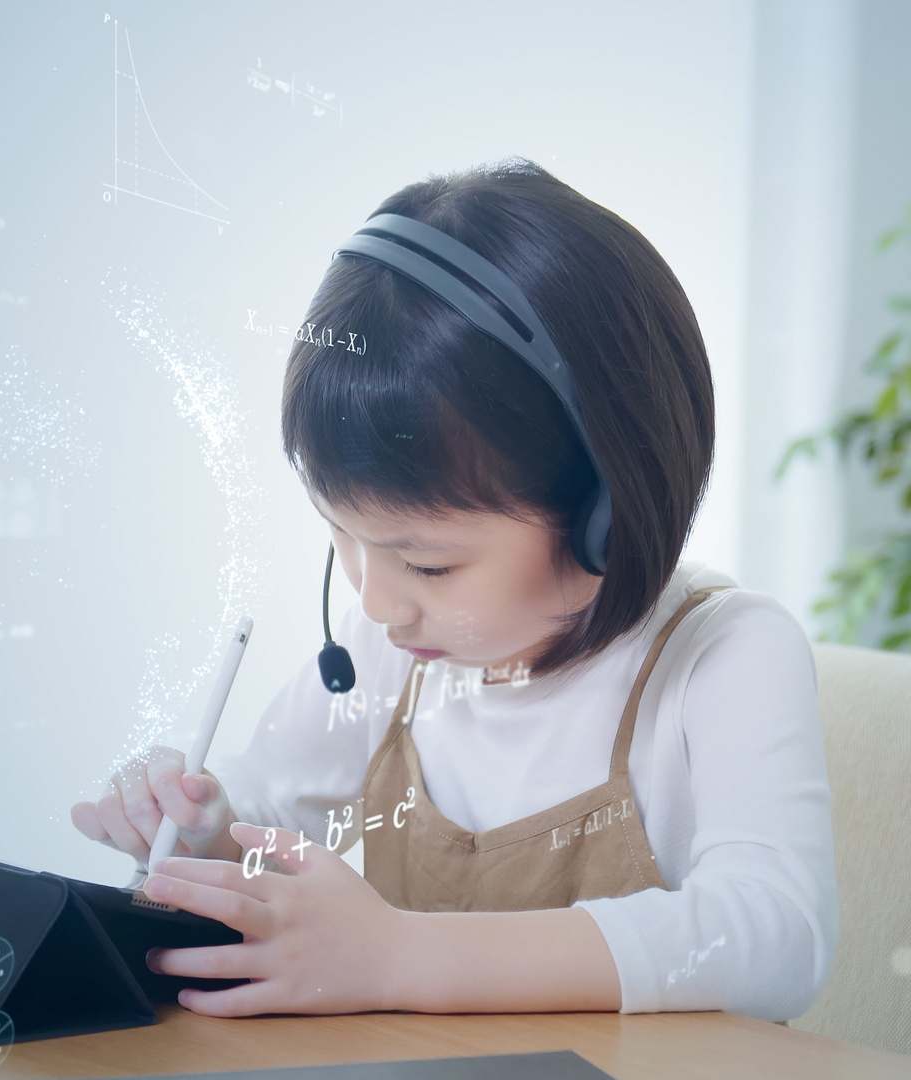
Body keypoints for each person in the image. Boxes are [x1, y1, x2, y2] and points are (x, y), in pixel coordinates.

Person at [71, 161, 835, 1021]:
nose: (377, 603)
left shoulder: (724, 658)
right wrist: (202, 829)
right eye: (342, 538)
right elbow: (268, 824)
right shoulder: (392, 657)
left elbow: (777, 937)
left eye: (427, 564)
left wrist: (401, 957)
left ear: (604, 520)